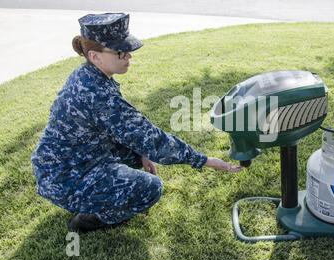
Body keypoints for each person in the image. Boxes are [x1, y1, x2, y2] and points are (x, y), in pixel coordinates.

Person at [31, 13, 241, 233]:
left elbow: (126, 130)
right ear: (95, 56)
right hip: (63, 177)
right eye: (120, 51)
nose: (128, 55)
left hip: (72, 160)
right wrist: (206, 160)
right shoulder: (96, 94)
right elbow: (154, 141)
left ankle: (94, 195)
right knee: (150, 188)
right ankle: (90, 218)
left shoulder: (88, 75)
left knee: (136, 153)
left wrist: (141, 151)